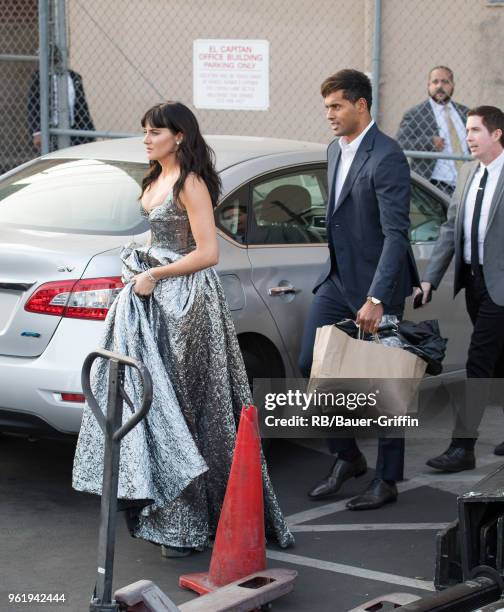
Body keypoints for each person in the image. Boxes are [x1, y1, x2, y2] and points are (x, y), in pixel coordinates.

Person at [72, 101, 294, 554]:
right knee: (156, 407)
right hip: (155, 303)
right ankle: (168, 515)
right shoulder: (155, 178)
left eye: (156, 132)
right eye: (145, 131)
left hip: (188, 303)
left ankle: (194, 521)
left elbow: (208, 252)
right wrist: (138, 261)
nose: (147, 138)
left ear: (180, 137)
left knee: (189, 406)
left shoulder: (191, 183)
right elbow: (159, 238)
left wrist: (154, 274)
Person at [299, 69, 420, 510]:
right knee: (311, 363)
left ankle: (387, 481)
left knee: (386, 382)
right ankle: (347, 456)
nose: (329, 115)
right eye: (327, 106)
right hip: (337, 280)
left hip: (377, 285)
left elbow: (396, 235)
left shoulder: (387, 155)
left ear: (361, 105)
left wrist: (377, 297)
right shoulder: (334, 150)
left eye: (336, 106)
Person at [416, 106, 504, 470]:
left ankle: (462, 448)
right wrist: (430, 279)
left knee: (478, 363)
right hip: (474, 282)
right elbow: (450, 230)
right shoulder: (468, 173)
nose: (467, 137)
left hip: (501, 288)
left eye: (475, 130)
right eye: (466, 130)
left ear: (497, 134)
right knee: (499, 362)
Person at [396, 66, 469, 195]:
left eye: (445, 82)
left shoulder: (465, 113)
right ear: (428, 85)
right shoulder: (416, 114)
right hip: (433, 185)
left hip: (465, 183)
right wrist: (429, 142)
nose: (439, 86)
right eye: (435, 82)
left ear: (453, 86)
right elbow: (400, 144)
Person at [27, 45, 95, 150]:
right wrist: (37, 131)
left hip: (75, 128)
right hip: (51, 128)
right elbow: (33, 105)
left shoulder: (74, 77)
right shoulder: (39, 77)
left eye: (54, 59)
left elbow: (82, 106)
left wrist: (90, 131)